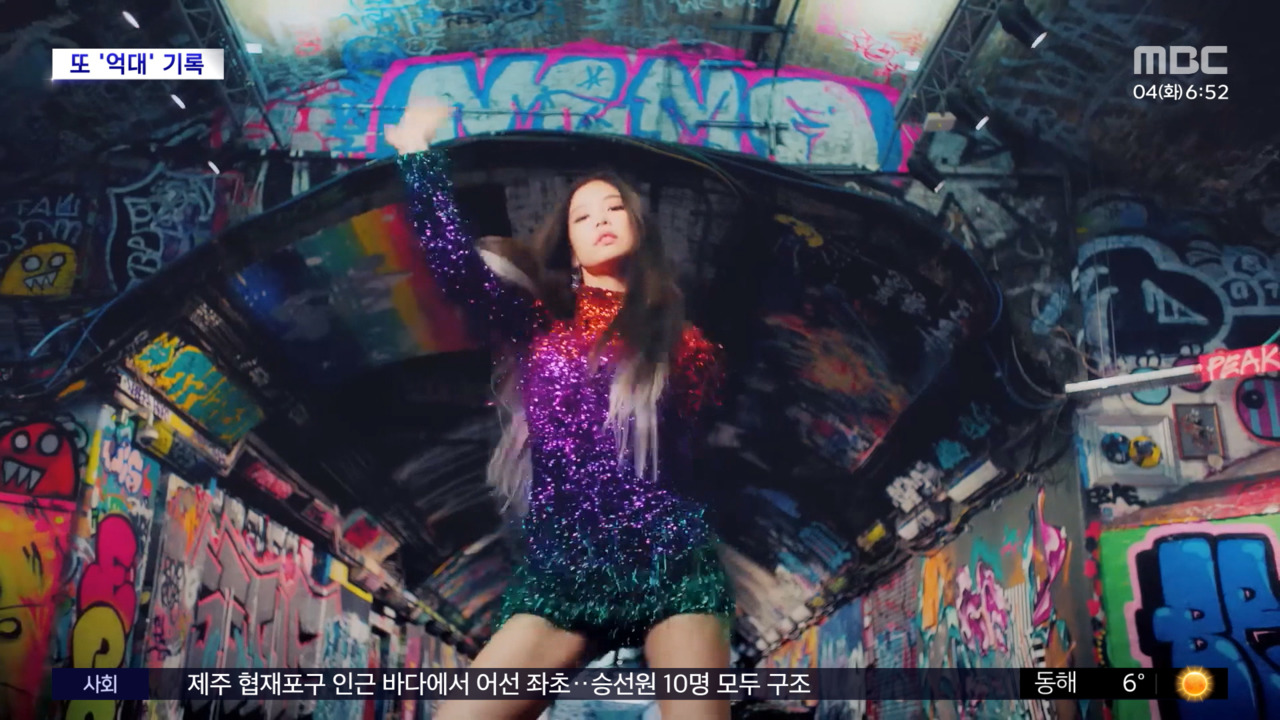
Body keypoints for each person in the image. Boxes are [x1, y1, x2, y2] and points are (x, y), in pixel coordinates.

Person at [386, 99, 734, 720]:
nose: (600, 219)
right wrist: (416, 151)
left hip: (671, 563)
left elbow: (695, 457)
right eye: (582, 215)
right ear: (570, 248)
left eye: (614, 208)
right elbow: (458, 271)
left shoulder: (689, 347)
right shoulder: (538, 332)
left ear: (640, 228)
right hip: (564, 572)